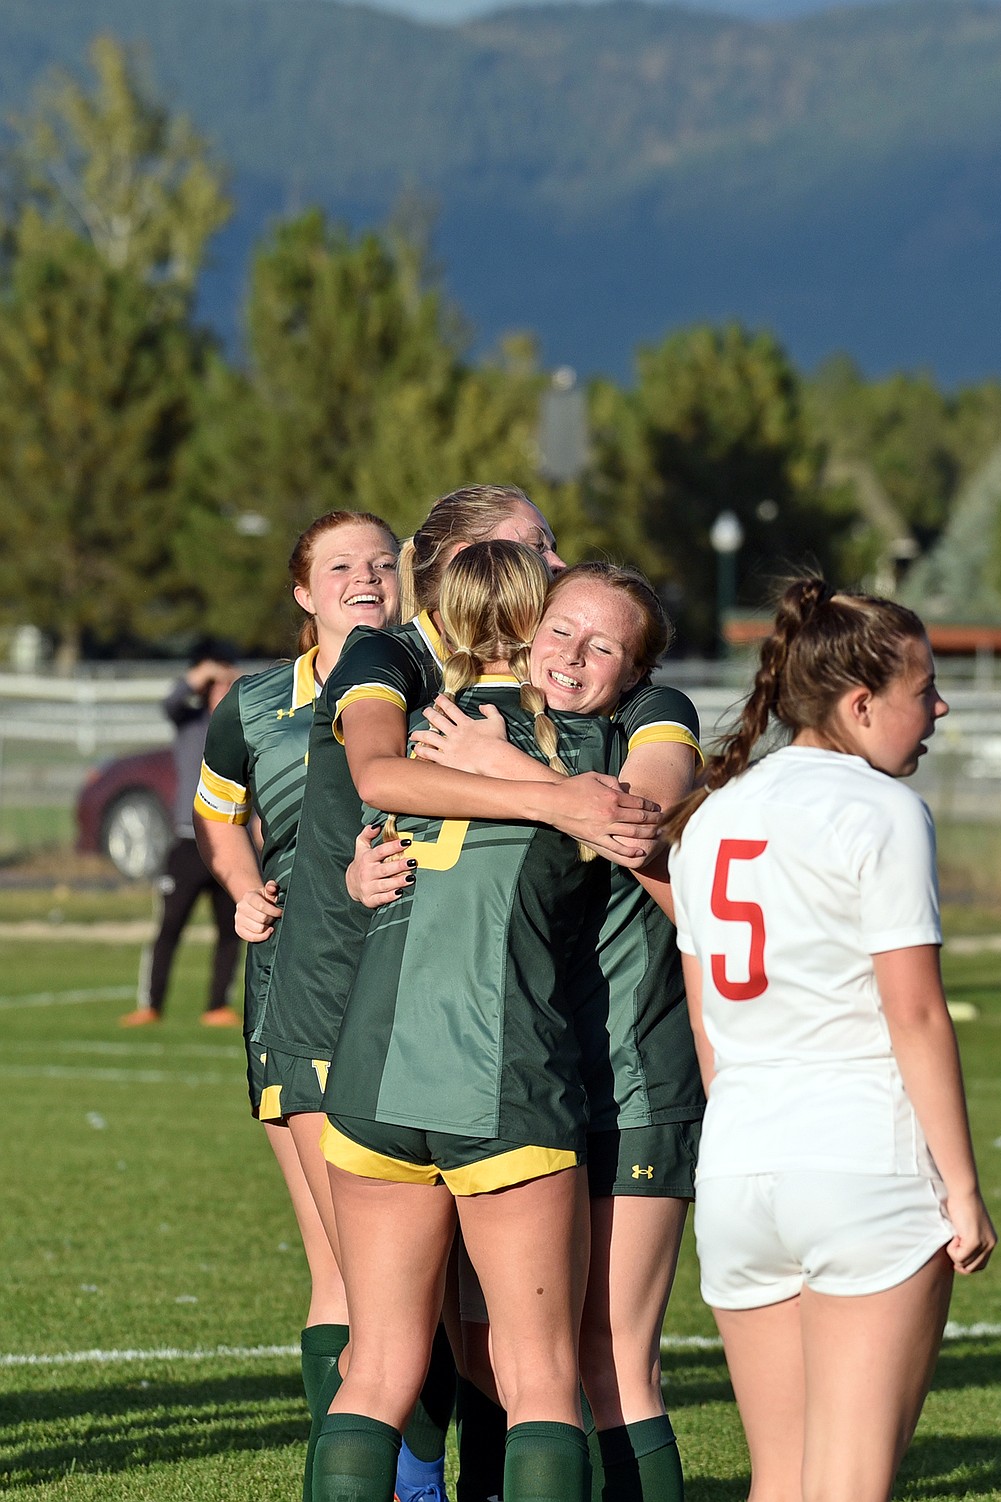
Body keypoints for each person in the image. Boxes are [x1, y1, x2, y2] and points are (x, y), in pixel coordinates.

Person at [250, 486, 658, 1502]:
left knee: (377, 1364)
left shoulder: (421, 728)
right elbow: (656, 846)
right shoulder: (588, 752)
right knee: (543, 1377)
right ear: (533, 625)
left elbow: (372, 800)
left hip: (373, 1076)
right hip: (500, 1074)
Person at [665, 578, 996, 1502]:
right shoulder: (880, 811)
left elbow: (708, 1028)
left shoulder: (711, 816)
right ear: (858, 704)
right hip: (860, 1162)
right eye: (922, 689)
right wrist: (962, 1189)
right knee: (848, 1485)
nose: (938, 707)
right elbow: (915, 1013)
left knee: (783, 1481)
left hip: (737, 1171)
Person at [405, 560, 705, 1502]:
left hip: (631, 1076)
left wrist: (507, 772)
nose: (572, 656)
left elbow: (637, 826)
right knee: (505, 1352)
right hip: (525, 1078)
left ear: (636, 671)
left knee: (607, 1362)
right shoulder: (485, 718)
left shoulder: (650, 721)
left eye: (603, 645)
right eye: (560, 629)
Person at [191, 510, 408, 1502]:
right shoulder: (259, 701)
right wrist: (240, 886)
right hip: (299, 985)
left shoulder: (421, 678)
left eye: (380, 560)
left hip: (418, 979)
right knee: (345, 1267)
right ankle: (388, 1481)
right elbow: (215, 805)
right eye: (339, 565)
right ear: (302, 591)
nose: (364, 575)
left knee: (418, 1277)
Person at [122, 642, 242, 1027]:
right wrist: (204, 671)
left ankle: (217, 1005)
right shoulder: (189, 723)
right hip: (188, 841)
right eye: (218, 683)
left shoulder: (246, 726)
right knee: (169, 926)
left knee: (231, 929)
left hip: (231, 843)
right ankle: (151, 1004)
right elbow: (170, 702)